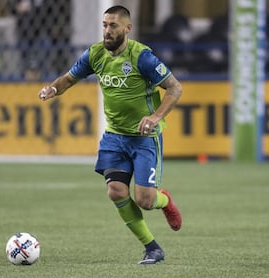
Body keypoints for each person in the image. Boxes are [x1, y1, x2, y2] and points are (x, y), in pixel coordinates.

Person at [38, 5, 182, 264]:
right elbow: (69, 79)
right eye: (105, 25)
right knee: (115, 190)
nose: (107, 30)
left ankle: (165, 201)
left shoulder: (142, 57)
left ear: (127, 28)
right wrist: (53, 89)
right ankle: (152, 248)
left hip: (144, 138)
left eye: (113, 25)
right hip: (115, 136)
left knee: (145, 200)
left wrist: (156, 116)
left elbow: (174, 88)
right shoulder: (94, 54)